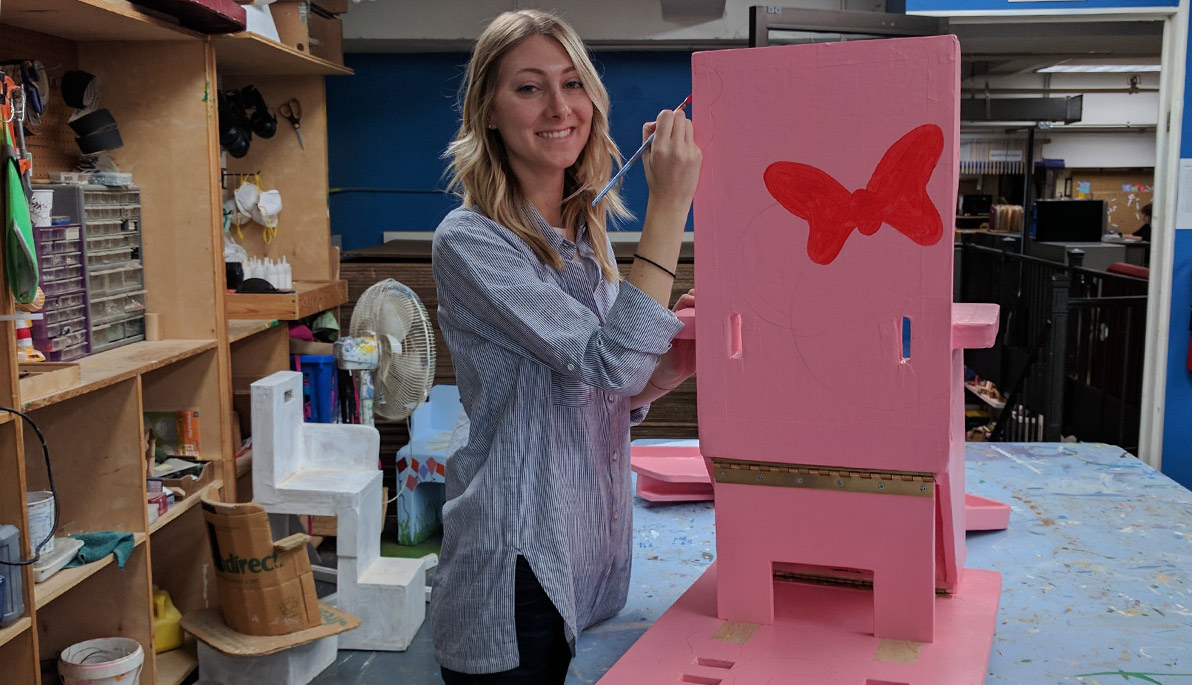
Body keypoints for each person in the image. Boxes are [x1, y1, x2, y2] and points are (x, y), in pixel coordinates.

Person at [428, 9, 701, 683]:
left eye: (573, 83)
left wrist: (666, 371)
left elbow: (601, 386)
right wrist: (669, 204)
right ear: (488, 110)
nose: (559, 106)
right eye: (528, 87)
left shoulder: (584, 238)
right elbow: (608, 361)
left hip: (587, 557)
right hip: (514, 567)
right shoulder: (469, 241)